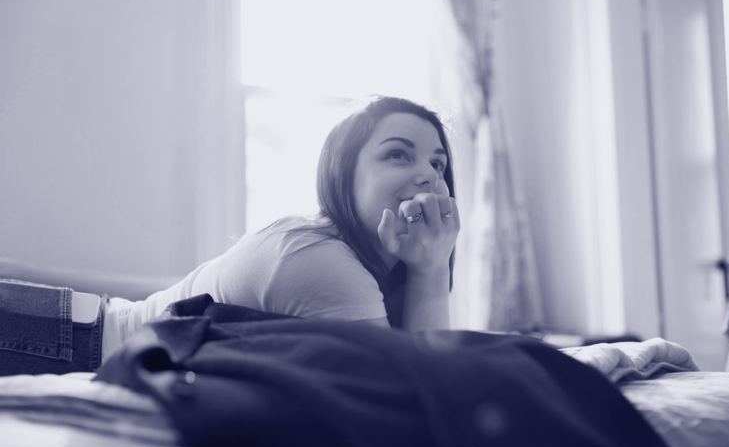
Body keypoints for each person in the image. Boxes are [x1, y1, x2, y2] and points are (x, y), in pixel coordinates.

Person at [0, 95, 461, 374]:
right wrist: (433, 272)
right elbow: (416, 392)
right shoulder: (321, 258)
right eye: (399, 155)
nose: (428, 176)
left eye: (438, 164)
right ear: (343, 174)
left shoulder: (376, 273)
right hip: (75, 341)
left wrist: (428, 267)